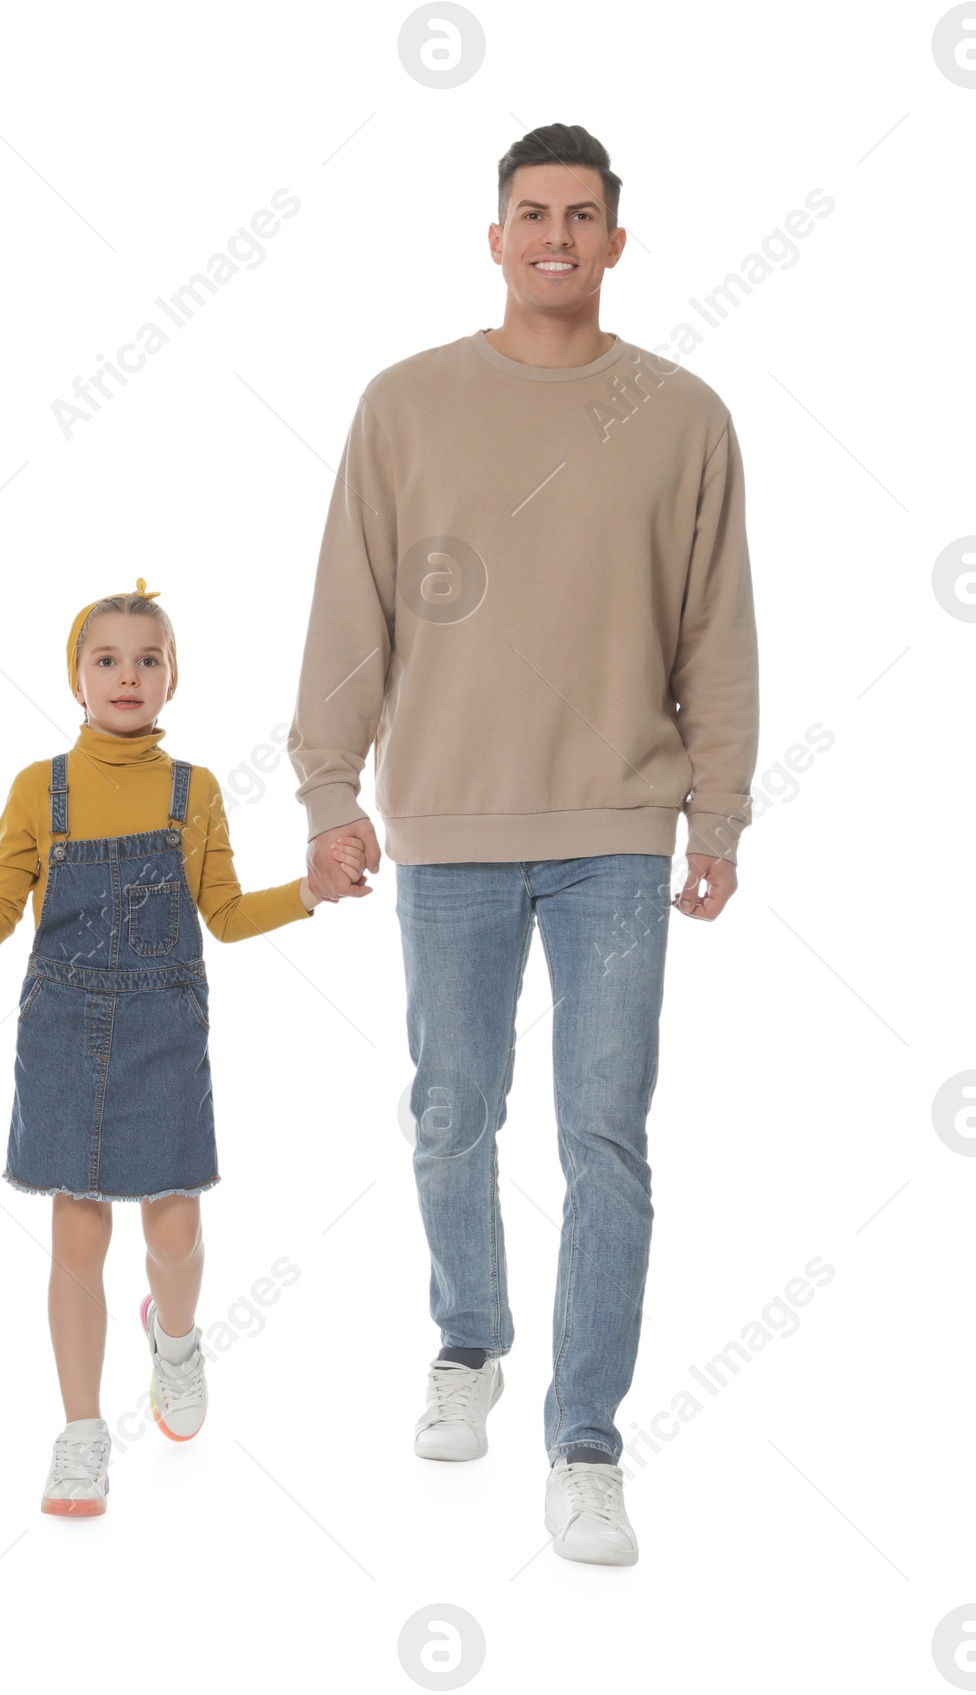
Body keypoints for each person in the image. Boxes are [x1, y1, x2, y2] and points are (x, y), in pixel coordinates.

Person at [288, 124, 758, 1567]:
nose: (555, 234)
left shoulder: (682, 414)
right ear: (493, 237)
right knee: (450, 1109)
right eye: (530, 213)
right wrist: (326, 794)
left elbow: (716, 634)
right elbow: (350, 610)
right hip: (448, 820)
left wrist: (719, 813)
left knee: (604, 1137)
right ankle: (469, 1337)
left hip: (620, 825)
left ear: (619, 241)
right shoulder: (406, 404)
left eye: (582, 215)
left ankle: (587, 1440)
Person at [0, 581, 364, 1515]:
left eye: (147, 659)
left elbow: (225, 917)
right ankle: (79, 1434)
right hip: (62, 1029)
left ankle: (177, 1341)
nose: (127, 675)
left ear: (172, 678)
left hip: (163, 1031)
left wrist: (310, 891)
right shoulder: (41, 788)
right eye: (106, 658)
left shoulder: (195, 790)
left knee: (175, 1228)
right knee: (76, 1234)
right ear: (76, 677)